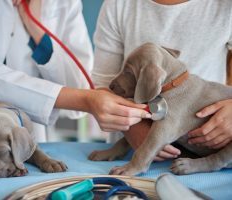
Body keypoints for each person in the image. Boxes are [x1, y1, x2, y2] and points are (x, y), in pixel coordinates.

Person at [0, 0, 151, 141]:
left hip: (24, 144)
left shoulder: (62, 4)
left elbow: (81, 91)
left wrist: (37, 33)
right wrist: (84, 99)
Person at [92, 0, 232, 160]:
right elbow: (104, 86)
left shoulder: (225, 6)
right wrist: (134, 129)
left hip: (207, 151)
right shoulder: (119, 4)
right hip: (133, 143)